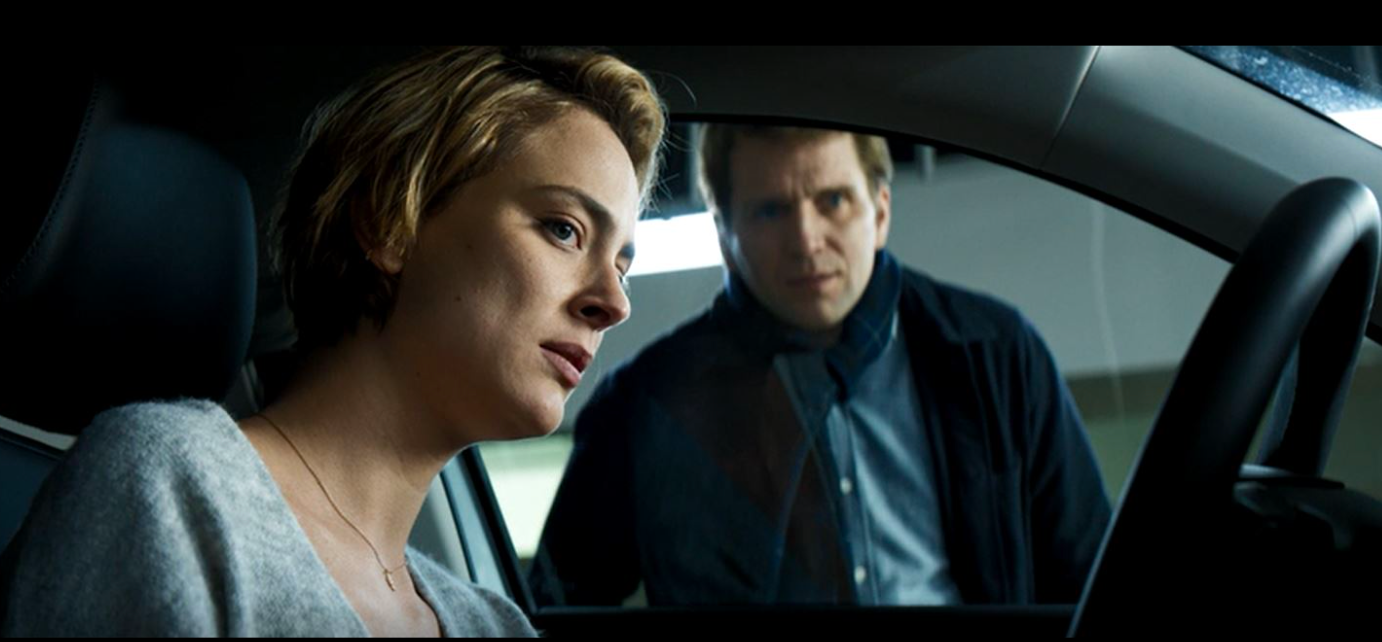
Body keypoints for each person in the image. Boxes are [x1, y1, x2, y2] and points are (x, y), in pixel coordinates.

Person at [1, 46, 665, 636]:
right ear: (390, 220)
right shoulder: (167, 487)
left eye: (622, 265)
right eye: (564, 230)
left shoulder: (493, 622)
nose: (614, 304)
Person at [531, 124, 1110, 607]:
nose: (806, 241)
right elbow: (559, 607)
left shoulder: (997, 353)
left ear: (879, 212)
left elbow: (1089, 575)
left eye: (832, 201)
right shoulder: (645, 404)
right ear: (725, 235)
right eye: (771, 211)